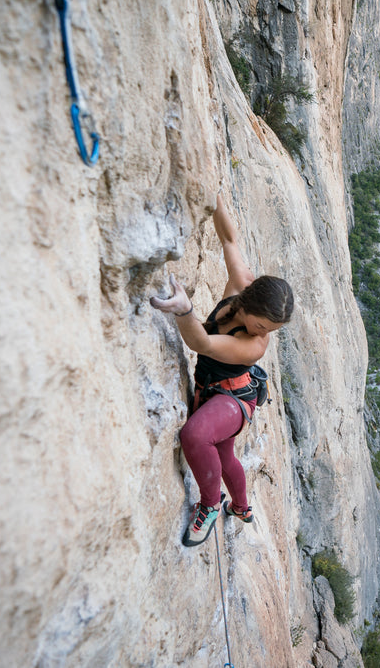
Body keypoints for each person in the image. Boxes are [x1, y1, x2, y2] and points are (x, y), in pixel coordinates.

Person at [150, 193, 294, 546]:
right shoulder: (241, 283)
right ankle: (242, 507)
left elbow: (201, 344)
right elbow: (230, 238)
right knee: (224, 454)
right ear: (248, 304)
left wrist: (185, 312)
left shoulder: (253, 344)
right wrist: (213, 198)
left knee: (196, 437)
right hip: (216, 388)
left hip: (234, 398)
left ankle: (211, 505)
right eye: (263, 325)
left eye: (271, 331)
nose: (265, 337)